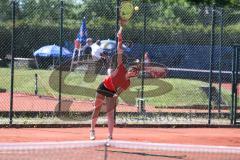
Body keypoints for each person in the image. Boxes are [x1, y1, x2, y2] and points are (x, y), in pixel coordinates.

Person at [90, 21, 140, 141]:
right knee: (96, 108)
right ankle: (92, 130)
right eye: (133, 69)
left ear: (134, 75)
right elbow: (119, 51)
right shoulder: (121, 67)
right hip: (103, 86)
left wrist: (113, 97)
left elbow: (118, 93)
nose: (134, 71)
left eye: (136, 72)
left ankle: (110, 136)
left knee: (110, 113)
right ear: (129, 69)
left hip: (112, 92)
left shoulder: (127, 83)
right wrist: (120, 38)